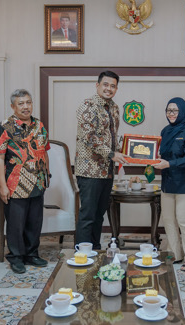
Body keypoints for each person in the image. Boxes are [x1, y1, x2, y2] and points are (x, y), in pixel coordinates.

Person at [0, 89, 50, 273]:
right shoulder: (4, 127)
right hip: (15, 183)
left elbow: (44, 151)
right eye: (21, 103)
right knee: (16, 223)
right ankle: (16, 257)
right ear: (13, 106)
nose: (26, 107)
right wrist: (2, 186)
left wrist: (47, 175)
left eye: (28, 103)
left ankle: (32, 254)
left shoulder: (39, 125)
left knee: (34, 221)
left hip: (38, 182)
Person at [75, 70, 128, 249]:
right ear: (97, 85)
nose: (109, 89)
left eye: (113, 86)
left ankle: (95, 249)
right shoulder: (88, 106)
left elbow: (112, 138)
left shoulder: (114, 107)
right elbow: (89, 138)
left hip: (107, 171)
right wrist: (112, 154)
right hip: (89, 171)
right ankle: (82, 254)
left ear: (116, 89)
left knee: (99, 215)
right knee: (88, 215)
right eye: (105, 85)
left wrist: (127, 149)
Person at [153, 97, 185, 271]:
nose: (171, 114)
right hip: (168, 181)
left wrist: (169, 164)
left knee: (183, 219)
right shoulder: (165, 131)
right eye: (168, 110)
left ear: (182, 111)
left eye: (175, 110)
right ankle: (175, 253)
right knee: (168, 219)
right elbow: (162, 153)